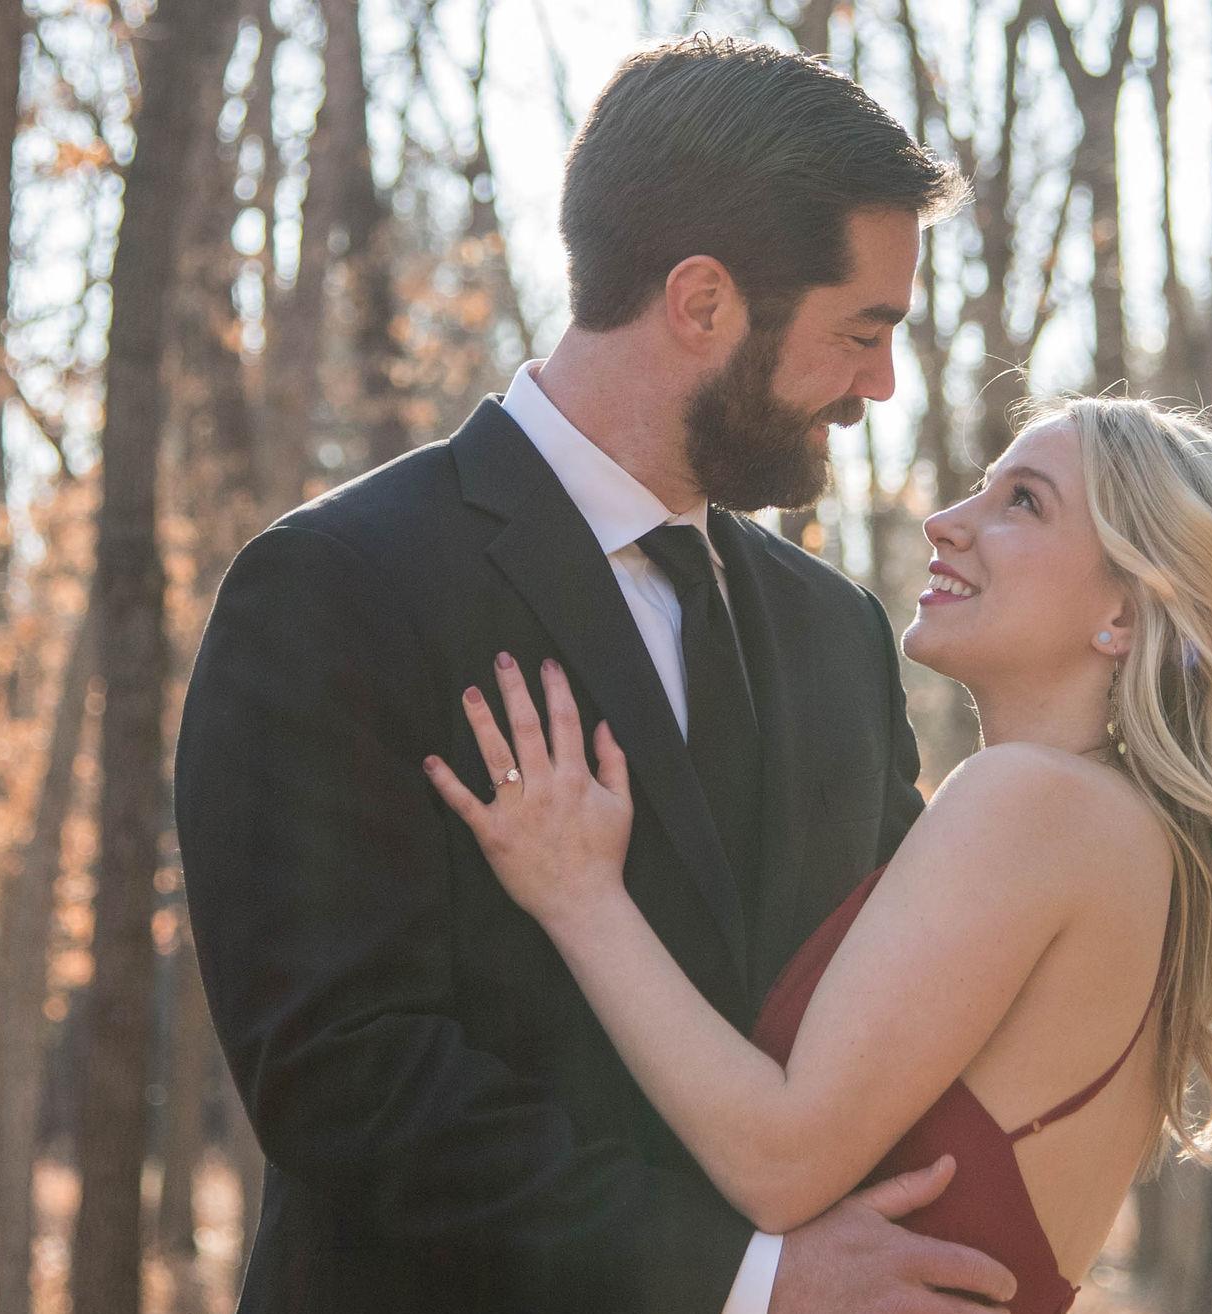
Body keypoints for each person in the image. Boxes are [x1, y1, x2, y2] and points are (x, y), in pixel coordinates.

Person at [177, 34, 1019, 1312]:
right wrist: (743, 1281)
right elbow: (343, 1077)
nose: (880, 385)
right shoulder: (339, 585)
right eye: (861, 330)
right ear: (702, 302)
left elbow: (897, 1015)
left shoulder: (834, 630)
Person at [426, 397, 1212, 1313]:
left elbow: (778, 1162)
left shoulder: (1033, 802)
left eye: (1024, 502)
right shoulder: (1125, 834)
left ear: (1127, 617)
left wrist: (580, 896)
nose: (944, 522)